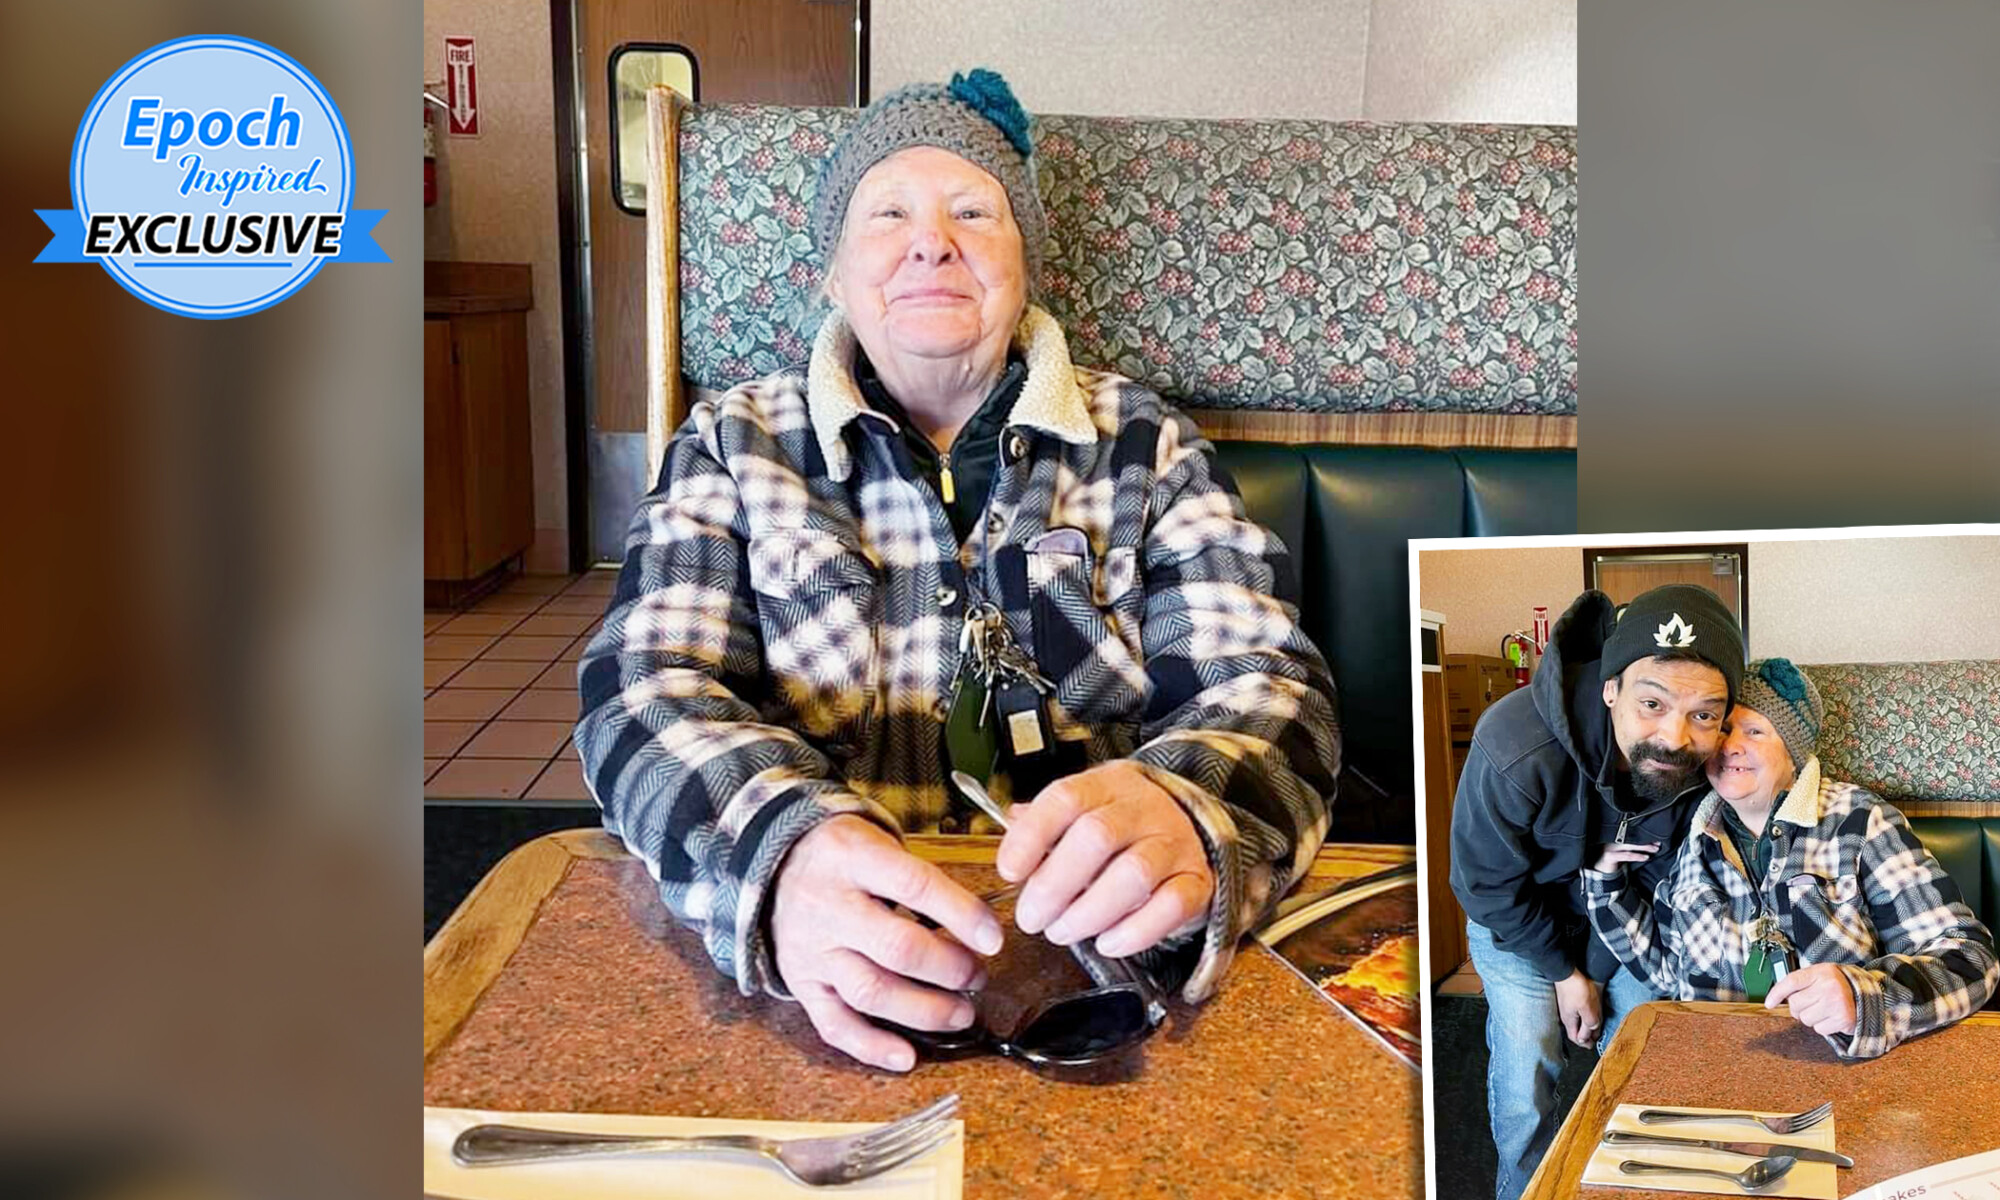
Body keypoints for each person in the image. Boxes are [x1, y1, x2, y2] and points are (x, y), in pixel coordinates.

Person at [574, 69, 1340, 1072]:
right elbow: (640, 691)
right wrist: (778, 851)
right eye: (887, 212)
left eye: (973, 211)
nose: (931, 240)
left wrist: (1188, 812)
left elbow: (1272, 688)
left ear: (1024, 262)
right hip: (814, 996)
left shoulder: (1143, 440)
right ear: (833, 273)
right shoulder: (733, 439)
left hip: (1095, 995)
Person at [1448, 584, 1743, 1200]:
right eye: (1652, 703)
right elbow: (1485, 884)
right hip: (1520, 927)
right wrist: (1563, 973)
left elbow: (1666, 884)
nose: (1675, 737)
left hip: (1627, 924)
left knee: (1641, 1060)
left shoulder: (1706, 771)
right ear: (1611, 688)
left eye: (1703, 714)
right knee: (1530, 1071)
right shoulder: (1514, 742)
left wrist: (1598, 974)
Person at [1584, 657, 1997, 1058]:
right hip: (1718, 1071)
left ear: (1793, 754)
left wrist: (1865, 999)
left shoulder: (1857, 821)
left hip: (1839, 1072)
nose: (1731, 747)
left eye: (1755, 732)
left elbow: (1971, 958)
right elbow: (1667, 976)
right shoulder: (1692, 841)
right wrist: (1606, 887)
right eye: (1723, 729)